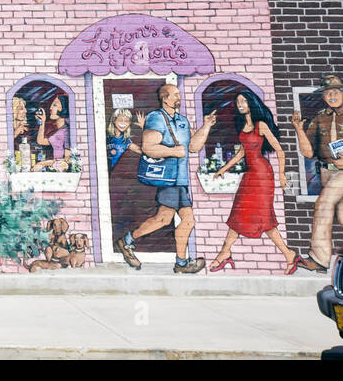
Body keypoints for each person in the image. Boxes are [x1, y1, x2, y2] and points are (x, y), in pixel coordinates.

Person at [113, 83, 216, 274]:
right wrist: (173, 152)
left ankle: (126, 241)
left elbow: (193, 147)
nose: (179, 97)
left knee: (164, 219)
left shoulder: (183, 121)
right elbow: (148, 147)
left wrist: (207, 126)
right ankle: (181, 263)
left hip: (181, 181)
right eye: (175, 94)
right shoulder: (156, 118)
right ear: (165, 98)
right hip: (169, 179)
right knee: (184, 221)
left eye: (179, 94)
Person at [207, 91, 307, 274]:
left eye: (244, 101)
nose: (240, 104)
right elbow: (242, 153)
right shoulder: (242, 125)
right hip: (250, 174)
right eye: (238, 101)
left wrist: (282, 175)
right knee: (241, 213)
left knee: (262, 216)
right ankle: (289, 255)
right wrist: (223, 168)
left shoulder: (261, 126)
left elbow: (280, 151)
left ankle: (224, 253)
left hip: (262, 175)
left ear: (251, 103)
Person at [290, 74, 343, 272]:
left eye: (336, 92)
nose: (332, 96)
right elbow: (308, 152)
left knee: (323, 204)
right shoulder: (320, 118)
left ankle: (319, 259)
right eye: (328, 93)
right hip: (327, 173)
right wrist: (298, 129)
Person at [32, 95, 72, 171]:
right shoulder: (61, 131)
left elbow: (67, 159)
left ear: (63, 108)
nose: (50, 108)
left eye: (55, 105)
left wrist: (42, 164)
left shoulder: (66, 132)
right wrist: (42, 122)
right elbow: (40, 141)